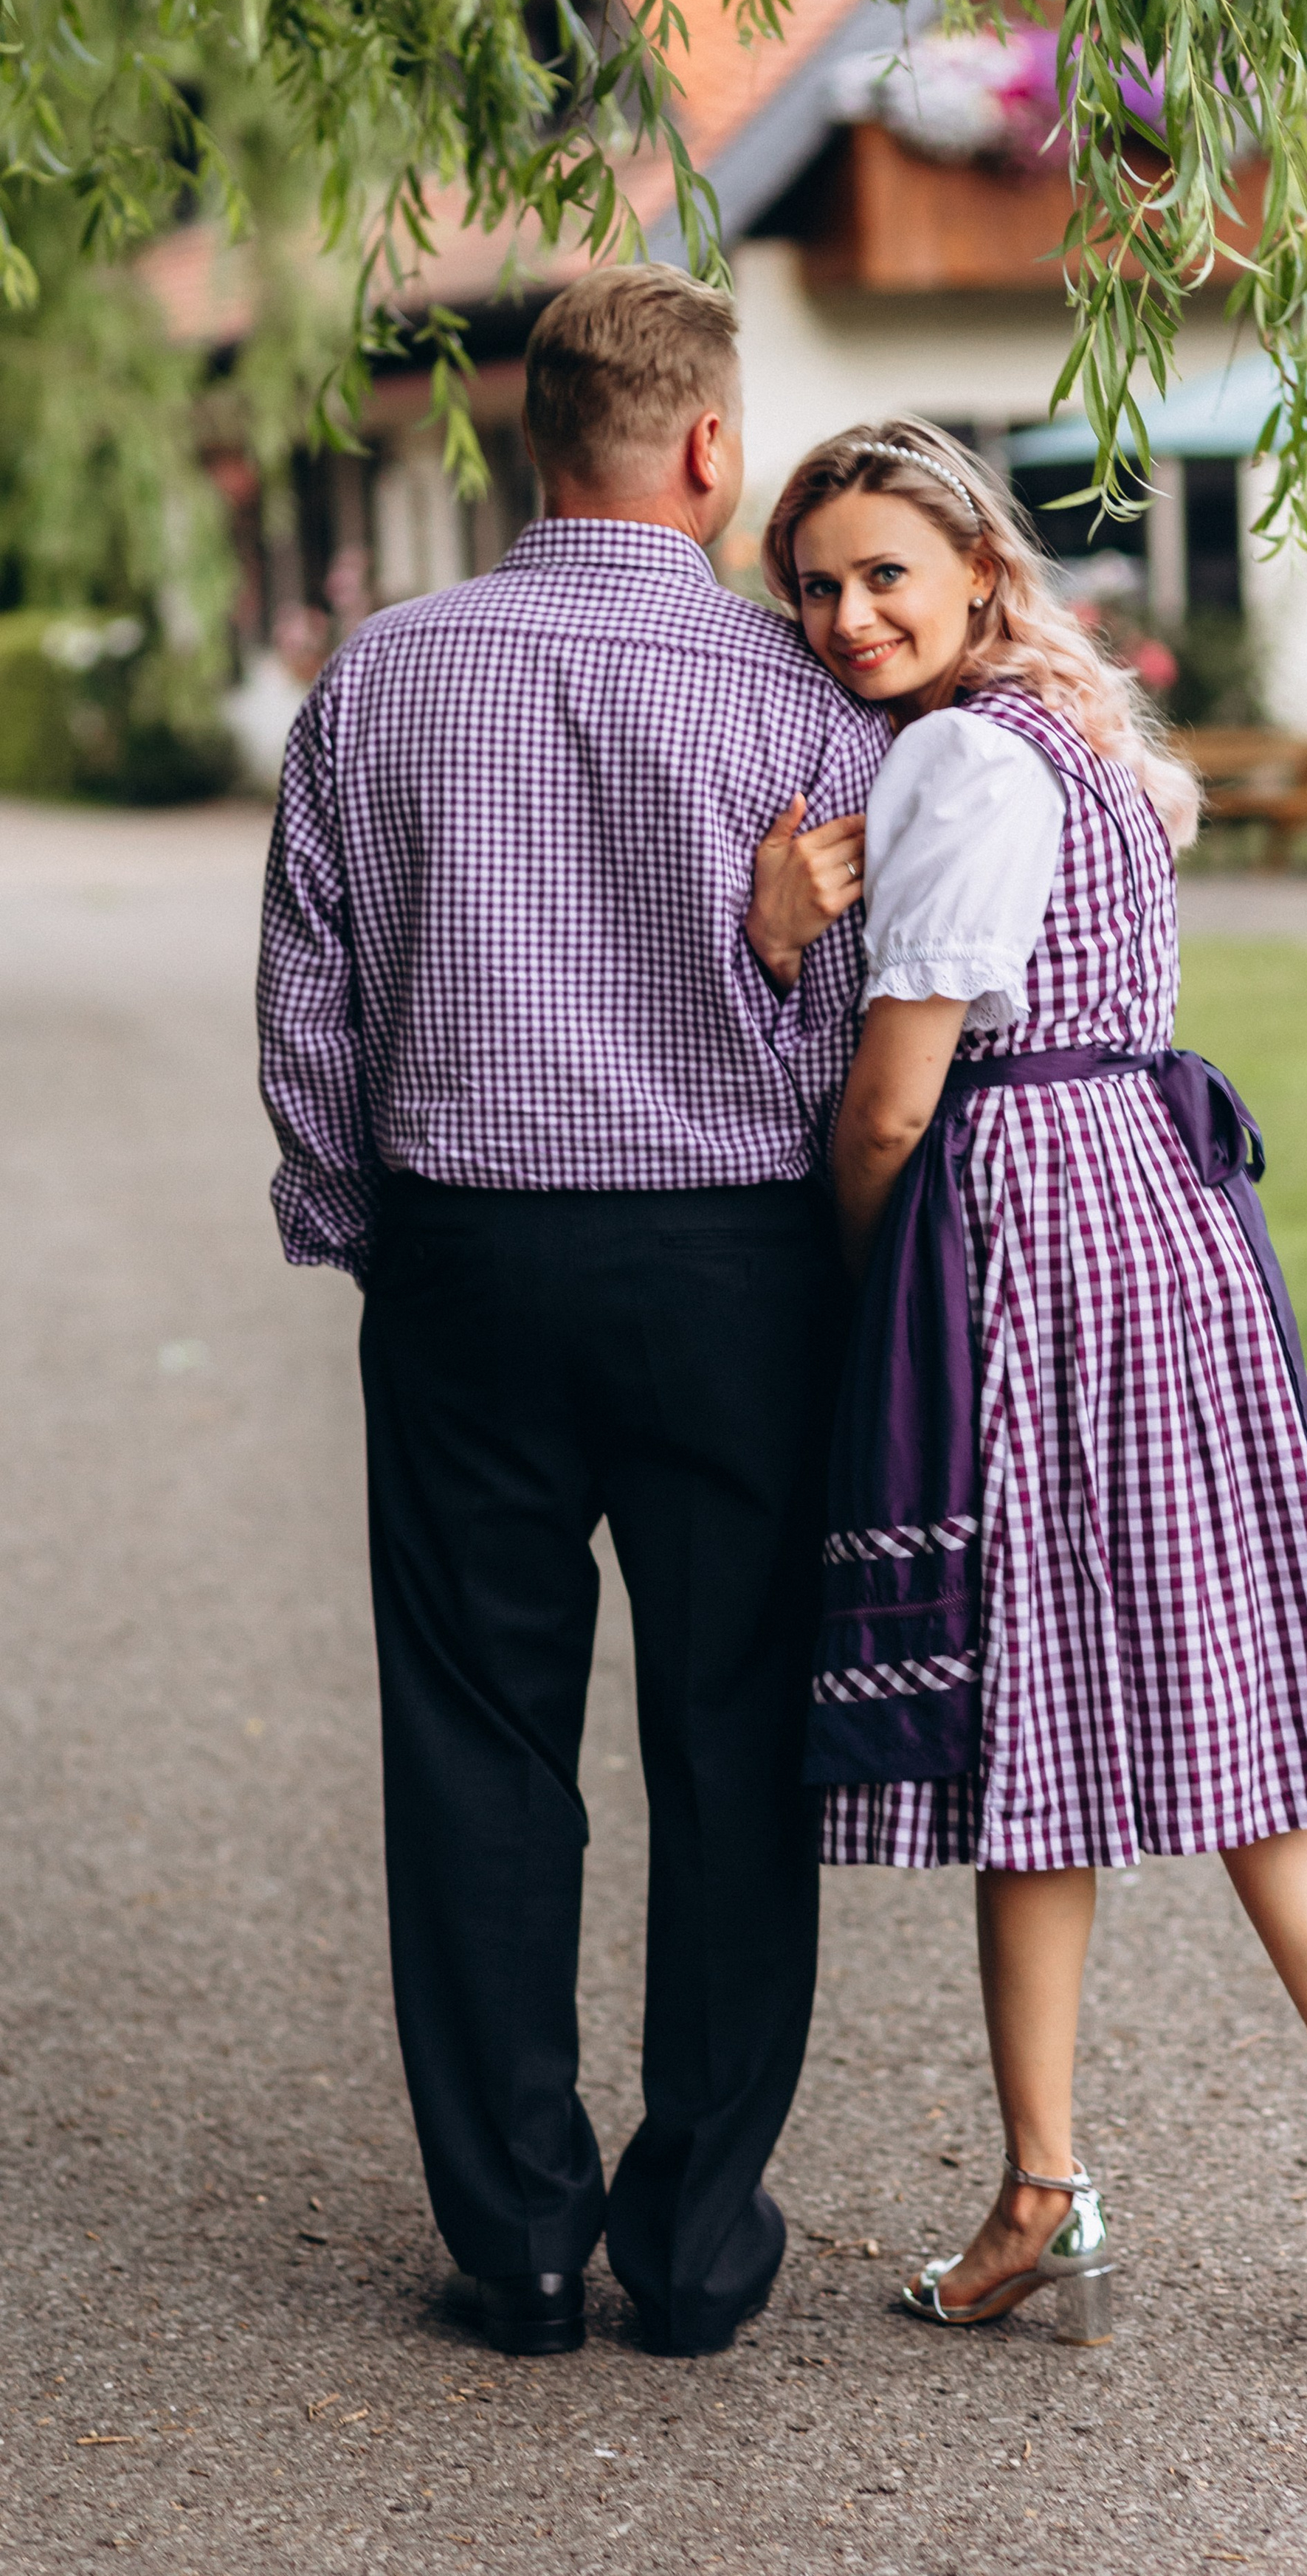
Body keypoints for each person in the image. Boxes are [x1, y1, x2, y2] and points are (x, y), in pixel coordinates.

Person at [756, 418, 1307, 2349]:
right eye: (817, 586)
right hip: (1162, 1219)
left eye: (884, 577)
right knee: (1230, 1704)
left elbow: (893, 1096)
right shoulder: (1089, 738)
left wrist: (853, 1262)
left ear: (975, 574)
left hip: (1022, 1214)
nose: (849, 617)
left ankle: (1052, 2186)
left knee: (1037, 1703)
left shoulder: (947, 756)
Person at [256, 265, 883, 2360]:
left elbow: (308, 1011)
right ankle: (695, 2248)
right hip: (732, 1276)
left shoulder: (378, 680)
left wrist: (379, 1236)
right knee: (730, 1743)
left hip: (467, 1261)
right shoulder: (806, 707)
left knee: (478, 1747)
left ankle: (521, 2242)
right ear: (711, 449)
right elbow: (859, 1032)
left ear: (536, 445)